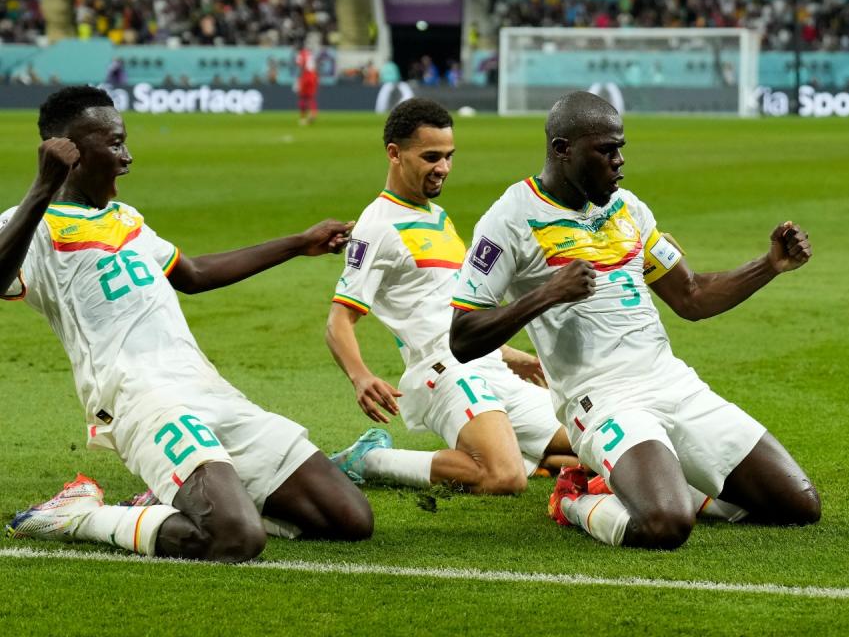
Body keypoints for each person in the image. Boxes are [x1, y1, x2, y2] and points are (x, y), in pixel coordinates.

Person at [1, 86, 371, 562]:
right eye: (114, 144)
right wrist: (42, 187)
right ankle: (80, 516)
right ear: (70, 153)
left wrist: (300, 243)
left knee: (349, 519)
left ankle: (178, 498)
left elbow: (192, 275)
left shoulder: (126, 218)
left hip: (206, 389)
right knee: (236, 539)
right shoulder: (34, 225)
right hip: (141, 400)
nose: (128, 157)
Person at [449, 91, 820, 549]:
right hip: (601, 401)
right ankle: (573, 497)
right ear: (562, 149)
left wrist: (769, 265)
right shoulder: (509, 219)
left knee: (799, 505)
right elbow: (462, 336)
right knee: (665, 525)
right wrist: (546, 295)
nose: (619, 161)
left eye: (620, 147)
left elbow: (692, 295)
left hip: (670, 383)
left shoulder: (628, 208)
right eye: (606, 150)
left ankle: (672, 482)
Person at [326, 98, 576, 494]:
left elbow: (442, 306)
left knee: (587, 440)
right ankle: (371, 460)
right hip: (444, 371)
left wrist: (511, 356)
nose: (442, 168)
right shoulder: (377, 226)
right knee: (503, 477)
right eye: (430, 157)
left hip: (488, 366)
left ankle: (526, 455)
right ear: (395, 154)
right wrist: (361, 377)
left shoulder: (438, 218)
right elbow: (339, 320)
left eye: (448, 156)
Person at [295, 42, 319, 125]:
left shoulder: (300, 54)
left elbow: (301, 64)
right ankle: (313, 113)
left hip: (306, 75)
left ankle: (303, 117)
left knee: (302, 97)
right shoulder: (310, 54)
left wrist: (299, 79)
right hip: (314, 75)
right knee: (311, 97)